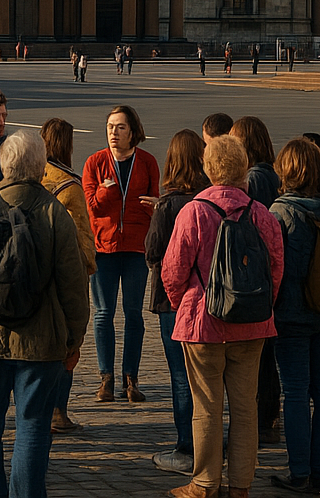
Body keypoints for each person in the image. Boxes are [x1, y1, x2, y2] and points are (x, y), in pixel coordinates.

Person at [0, 130, 89, 498]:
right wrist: (73, 338)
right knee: (32, 425)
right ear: (41, 167)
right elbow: (73, 284)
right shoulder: (54, 211)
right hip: (41, 341)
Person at [161, 134, 285, 498]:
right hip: (252, 324)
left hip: (203, 322)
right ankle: (241, 485)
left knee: (206, 407)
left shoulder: (194, 211)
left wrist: (181, 303)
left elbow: (173, 270)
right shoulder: (262, 213)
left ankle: (204, 482)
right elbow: (276, 269)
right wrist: (262, 306)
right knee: (246, 407)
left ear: (208, 168)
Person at [270, 138, 320, 496]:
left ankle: (299, 472)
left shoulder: (281, 211)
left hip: (292, 317)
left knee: (295, 393)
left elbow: (279, 270)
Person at [82, 103, 160, 402]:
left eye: (120, 127)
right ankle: (106, 378)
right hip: (104, 248)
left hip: (136, 247)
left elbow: (155, 201)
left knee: (133, 315)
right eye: (111, 127)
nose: (114, 133)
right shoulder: (95, 162)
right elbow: (91, 206)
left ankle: (131, 378)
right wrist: (106, 190)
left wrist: (154, 205)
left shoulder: (148, 161)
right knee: (103, 315)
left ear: (133, 131)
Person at [145, 129, 209, 475]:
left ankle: (187, 446)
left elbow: (154, 252)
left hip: (174, 303)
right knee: (208, 377)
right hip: (209, 300)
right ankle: (211, 439)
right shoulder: (209, 198)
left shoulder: (169, 204)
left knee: (180, 376)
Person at [40, 117, 97, 433]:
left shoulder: (35, 176)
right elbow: (81, 235)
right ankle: (58, 410)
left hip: (36, 274)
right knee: (67, 342)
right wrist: (89, 265)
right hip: (64, 275)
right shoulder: (70, 185)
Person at [231, 115, 281, 444]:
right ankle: (269, 416)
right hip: (269, 274)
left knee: (260, 358)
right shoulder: (272, 173)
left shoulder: (254, 178)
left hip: (256, 274)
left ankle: (263, 420)